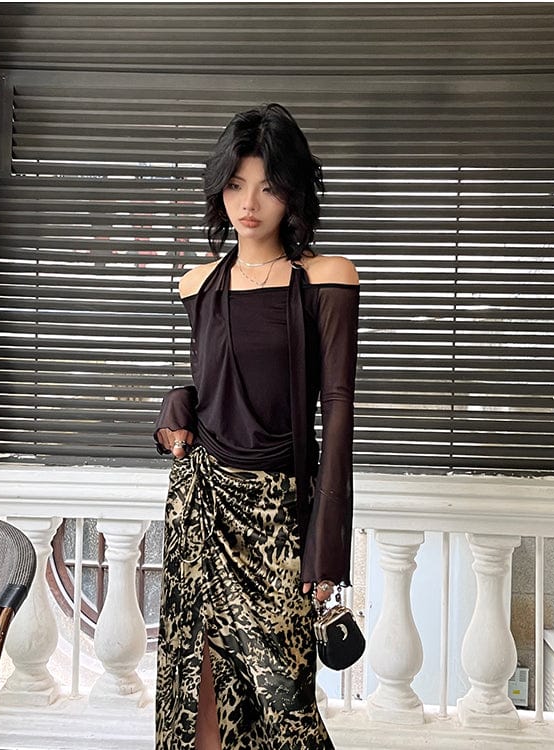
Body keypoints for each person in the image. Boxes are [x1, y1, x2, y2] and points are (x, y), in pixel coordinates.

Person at [153, 103, 359, 750]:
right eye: (236, 185)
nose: (249, 204)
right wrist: (177, 404)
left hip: (279, 515)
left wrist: (326, 547)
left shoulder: (325, 279)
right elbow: (217, 383)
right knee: (199, 696)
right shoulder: (197, 284)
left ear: (292, 192)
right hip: (202, 505)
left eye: (267, 187)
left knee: (286, 708)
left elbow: (338, 409)